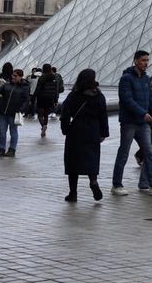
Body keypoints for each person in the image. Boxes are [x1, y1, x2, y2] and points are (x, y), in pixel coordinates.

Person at [112, 50, 152, 196]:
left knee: (149, 153)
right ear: (136, 61)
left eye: (147, 60)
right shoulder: (126, 79)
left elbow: (150, 100)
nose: (146, 63)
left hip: (143, 123)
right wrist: (143, 114)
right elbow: (127, 100)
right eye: (143, 60)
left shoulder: (145, 79)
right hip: (129, 122)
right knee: (124, 152)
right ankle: (117, 185)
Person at [60, 69, 109, 202]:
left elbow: (64, 114)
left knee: (73, 162)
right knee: (92, 159)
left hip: (76, 130)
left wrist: (65, 129)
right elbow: (103, 116)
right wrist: (104, 133)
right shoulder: (99, 96)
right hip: (93, 130)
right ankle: (93, 182)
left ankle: (73, 193)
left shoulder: (73, 95)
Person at [0, 69, 32, 157]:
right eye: (12, 75)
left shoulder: (25, 87)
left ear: (20, 76)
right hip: (3, 112)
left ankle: (12, 150)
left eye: (15, 75)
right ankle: (1, 149)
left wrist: (21, 109)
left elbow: (26, 100)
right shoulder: (7, 85)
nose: (13, 77)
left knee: (13, 131)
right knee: (2, 132)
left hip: (14, 113)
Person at [34, 63, 62, 138]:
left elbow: (38, 88)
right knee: (46, 114)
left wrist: (33, 97)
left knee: (40, 115)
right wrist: (56, 100)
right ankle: (45, 126)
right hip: (50, 98)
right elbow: (56, 90)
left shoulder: (42, 77)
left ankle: (43, 126)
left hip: (42, 98)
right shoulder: (54, 78)